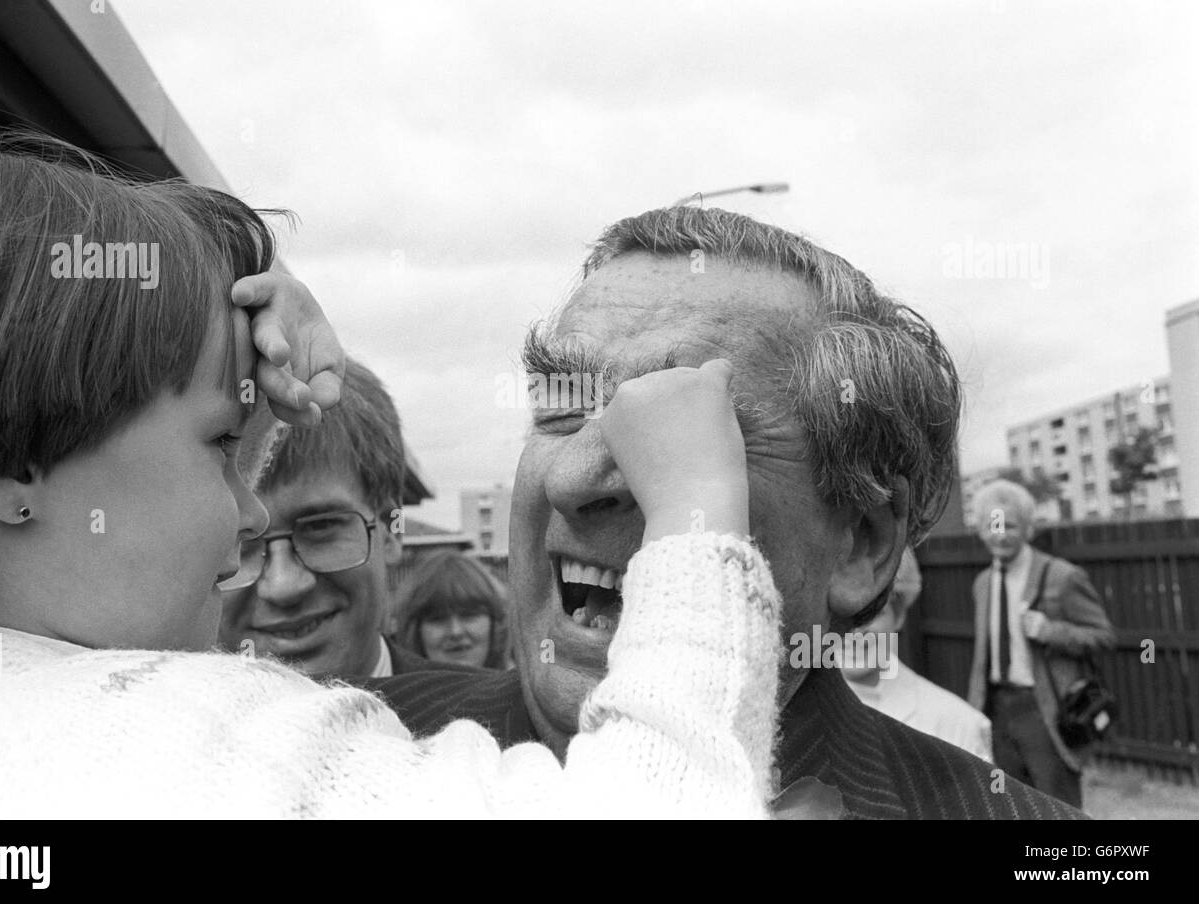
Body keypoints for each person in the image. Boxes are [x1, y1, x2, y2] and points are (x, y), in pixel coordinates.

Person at [0, 137, 785, 818]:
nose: (251, 520)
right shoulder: (215, 744)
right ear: (7, 467)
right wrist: (698, 519)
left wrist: (217, 334)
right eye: (221, 444)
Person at [371, 206, 1086, 819]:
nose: (573, 477)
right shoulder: (349, 750)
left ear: (861, 543)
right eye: (561, 406)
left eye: (691, 428)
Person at [217, 358, 436, 677]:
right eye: (241, 540)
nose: (283, 586)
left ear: (391, 530)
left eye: (320, 527)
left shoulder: (506, 723)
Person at [966, 480, 1115, 808]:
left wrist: (1051, 631)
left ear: (1029, 529)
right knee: (1007, 807)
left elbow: (1104, 637)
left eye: (1011, 525)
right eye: (993, 526)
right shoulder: (982, 583)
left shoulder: (1062, 577)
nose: (1000, 535)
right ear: (979, 529)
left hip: (1044, 711)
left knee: (1055, 809)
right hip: (995, 711)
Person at [842, 549, 992, 762]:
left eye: (872, 614)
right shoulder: (791, 719)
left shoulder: (958, 726)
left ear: (899, 616)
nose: (855, 630)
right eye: (841, 613)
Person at [396, 551, 511, 669]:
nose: (455, 632)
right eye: (438, 619)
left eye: (469, 615)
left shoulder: (525, 685)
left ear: (496, 623)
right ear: (414, 631)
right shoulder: (389, 687)